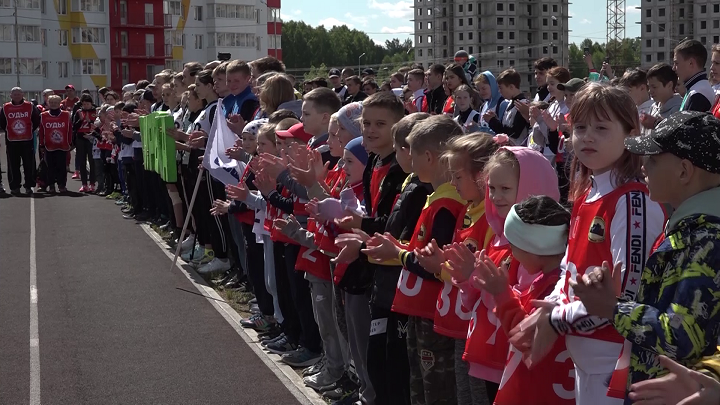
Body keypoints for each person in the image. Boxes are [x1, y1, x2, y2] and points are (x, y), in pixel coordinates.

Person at [510, 83, 665, 405]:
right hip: (584, 358)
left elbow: (626, 294)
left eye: (602, 128)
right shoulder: (586, 194)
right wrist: (550, 307)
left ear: (631, 132)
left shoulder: (633, 200)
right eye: (580, 127)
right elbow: (570, 270)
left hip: (616, 364)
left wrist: (557, 318)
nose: (588, 136)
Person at [572, 111, 720, 402]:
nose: (643, 167)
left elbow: (682, 334)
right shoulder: (689, 227)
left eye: (652, 159)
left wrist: (613, 308)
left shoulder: (707, 238)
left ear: (684, 171)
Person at [362, 115, 467, 405]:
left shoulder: (447, 204)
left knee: (435, 389)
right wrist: (400, 246)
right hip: (420, 309)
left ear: (429, 157)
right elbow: (424, 249)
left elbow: (435, 264)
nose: (404, 157)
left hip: (433, 313)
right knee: (417, 384)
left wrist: (398, 253)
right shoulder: (435, 197)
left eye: (410, 150)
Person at [457, 146, 561, 404]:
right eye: (492, 189)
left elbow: (527, 304)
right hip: (486, 354)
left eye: (505, 189)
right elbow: (474, 302)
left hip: (511, 359)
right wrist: (467, 277)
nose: (496, 197)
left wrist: (488, 285)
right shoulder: (498, 237)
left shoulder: (537, 248)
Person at [420, 133, 498, 405]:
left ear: (482, 176)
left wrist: (439, 267)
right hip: (459, 321)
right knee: (462, 392)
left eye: (458, 177)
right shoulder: (469, 209)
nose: (452, 183)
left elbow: (481, 275)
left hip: (477, 325)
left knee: (475, 395)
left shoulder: (491, 219)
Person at [0, 87, 41, 195]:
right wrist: (11, 131)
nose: (17, 96)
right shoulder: (5, 107)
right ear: (10, 95)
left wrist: (29, 130)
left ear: (22, 94)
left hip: (27, 139)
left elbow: (36, 120)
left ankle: (29, 186)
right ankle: (15, 187)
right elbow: (3, 123)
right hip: (11, 141)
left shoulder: (30, 106)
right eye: (14, 94)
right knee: (13, 165)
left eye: (19, 94)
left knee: (29, 164)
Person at [38, 94, 72, 193]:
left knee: (62, 167)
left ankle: (62, 185)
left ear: (59, 103)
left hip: (63, 146)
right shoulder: (43, 115)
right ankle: (51, 185)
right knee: (50, 167)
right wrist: (41, 144)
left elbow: (70, 130)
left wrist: (70, 142)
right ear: (48, 103)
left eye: (56, 102)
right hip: (49, 146)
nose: (53, 104)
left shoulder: (66, 114)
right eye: (51, 102)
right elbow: (41, 132)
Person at [485, 69, 530, 145]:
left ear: (511, 87)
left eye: (501, 88)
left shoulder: (523, 104)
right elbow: (505, 127)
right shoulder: (509, 103)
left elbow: (514, 133)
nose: (499, 91)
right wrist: (495, 119)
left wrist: (492, 121)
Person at [673, 39, 715, 112]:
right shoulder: (695, 88)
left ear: (691, 63)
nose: (673, 68)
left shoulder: (698, 94)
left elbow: (688, 123)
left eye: (676, 63)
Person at [642, 63, 682, 131]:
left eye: (654, 87)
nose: (650, 91)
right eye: (649, 87)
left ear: (669, 85)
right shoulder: (653, 107)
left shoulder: (678, 109)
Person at [619, 69, 654, 136]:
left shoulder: (652, 111)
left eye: (629, 91)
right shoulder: (630, 109)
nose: (626, 95)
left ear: (642, 88)